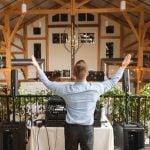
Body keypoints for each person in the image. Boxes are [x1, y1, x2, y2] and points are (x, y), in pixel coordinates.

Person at [31, 54, 131, 150]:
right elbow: (113, 81)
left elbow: (48, 83)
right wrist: (123, 66)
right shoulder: (96, 88)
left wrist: (37, 67)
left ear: (74, 74)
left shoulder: (66, 89)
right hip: (87, 129)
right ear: (87, 73)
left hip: (71, 129)